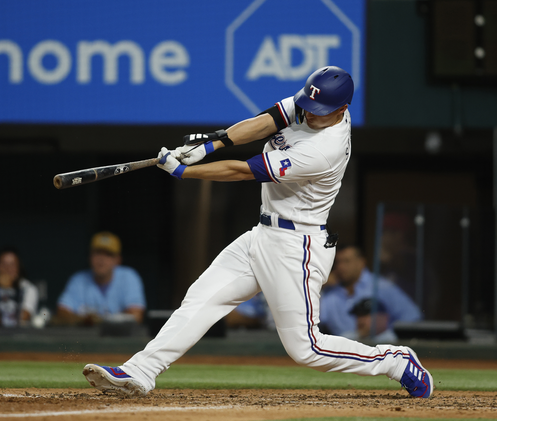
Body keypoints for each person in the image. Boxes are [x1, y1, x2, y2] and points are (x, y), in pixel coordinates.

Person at [81, 66, 434, 399]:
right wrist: (212, 143)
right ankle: (141, 370)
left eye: (319, 110)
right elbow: (268, 120)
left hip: (297, 245)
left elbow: (243, 171)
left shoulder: (324, 150)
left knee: (306, 348)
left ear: (342, 109)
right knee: (202, 298)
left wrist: (184, 172)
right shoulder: (314, 102)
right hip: (263, 233)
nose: (309, 114)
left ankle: (395, 361)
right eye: (308, 105)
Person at [319, 244, 422, 341]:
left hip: (378, 347)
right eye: (338, 262)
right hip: (341, 350)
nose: (341, 267)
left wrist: (385, 334)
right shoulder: (330, 291)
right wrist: (320, 285)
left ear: (361, 262)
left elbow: (412, 317)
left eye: (346, 261)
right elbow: (315, 321)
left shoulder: (381, 286)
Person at [54, 232, 146, 325]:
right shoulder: (78, 280)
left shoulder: (128, 277)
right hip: (87, 334)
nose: (102, 259)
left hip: (118, 333)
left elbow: (136, 315)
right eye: (98, 253)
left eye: (108, 254)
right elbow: (62, 313)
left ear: (118, 260)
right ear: (90, 256)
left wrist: (98, 320)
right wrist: (86, 320)